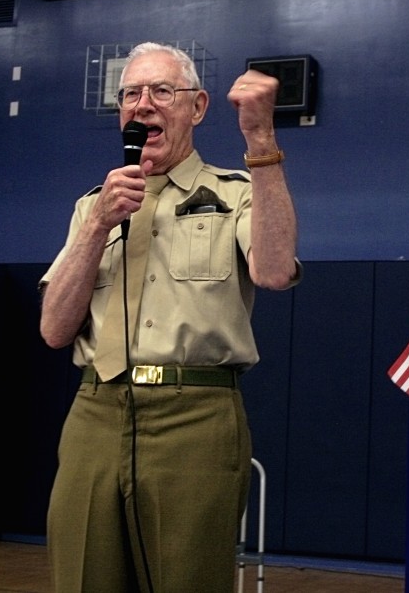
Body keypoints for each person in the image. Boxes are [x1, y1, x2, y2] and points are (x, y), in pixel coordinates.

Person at [39, 41, 300, 592]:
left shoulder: (234, 194)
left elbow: (275, 272)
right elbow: (55, 329)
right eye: (131, 93)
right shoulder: (93, 205)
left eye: (161, 90)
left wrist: (261, 142)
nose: (143, 104)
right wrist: (95, 228)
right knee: (82, 576)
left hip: (196, 417)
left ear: (197, 107)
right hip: (95, 413)